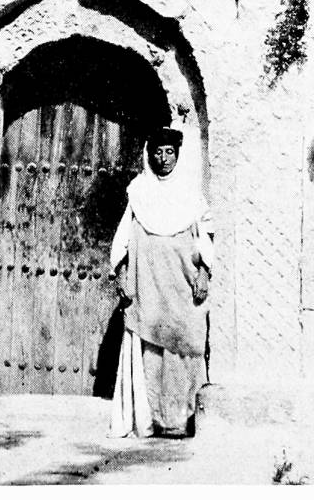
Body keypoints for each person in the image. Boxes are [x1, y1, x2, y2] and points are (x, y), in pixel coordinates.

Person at [108, 126, 214, 438]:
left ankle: (183, 419)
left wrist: (204, 274)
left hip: (183, 284)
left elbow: (205, 238)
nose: (164, 158)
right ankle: (152, 419)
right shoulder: (139, 192)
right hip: (148, 285)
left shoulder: (191, 194)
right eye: (158, 152)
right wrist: (122, 276)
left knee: (185, 347)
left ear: (178, 156)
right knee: (151, 352)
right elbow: (122, 240)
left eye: (170, 152)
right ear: (150, 155)